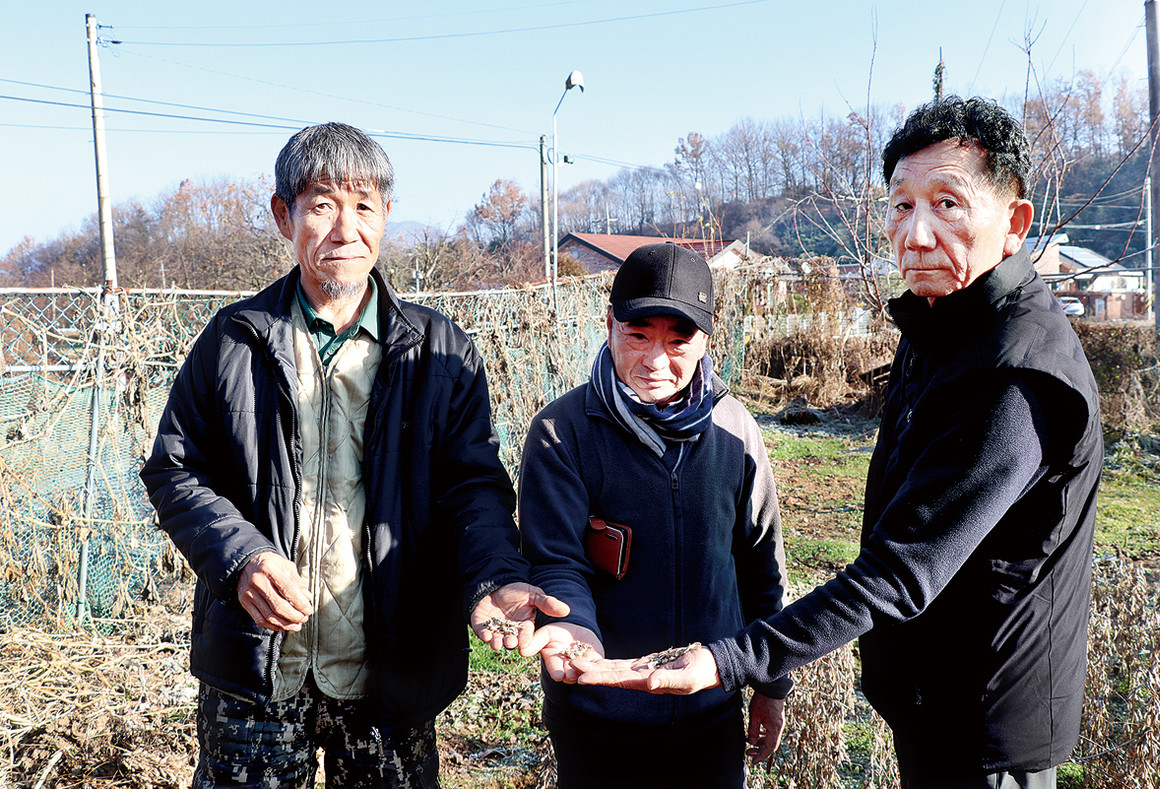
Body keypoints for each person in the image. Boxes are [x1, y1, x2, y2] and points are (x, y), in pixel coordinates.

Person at [572, 97, 1104, 789]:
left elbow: (901, 569)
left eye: (948, 204)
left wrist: (730, 660)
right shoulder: (943, 328)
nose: (915, 233)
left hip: (987, 725)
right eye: (900, 204)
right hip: (935, 697)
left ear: (1013, 223)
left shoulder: (1014, 373)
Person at [141, 121, 566, 789]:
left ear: (386, 216)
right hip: (257, 670)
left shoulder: (439, 353)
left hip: (389, 674)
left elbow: (472, 488)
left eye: (364, 204)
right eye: (321, 204)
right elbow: (176, 468)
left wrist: (494, 578)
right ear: (285, 216)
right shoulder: (234, 341)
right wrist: (242, 557)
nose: (346, 228)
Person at [516, 243, 791, 788]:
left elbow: (762, 564)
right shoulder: (561, 433)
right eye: (638, 335)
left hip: (709, 709)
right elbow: (555, 561)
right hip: (598, 711)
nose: (656, 361)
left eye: (678, 340)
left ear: (706, 340)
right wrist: (576, 635)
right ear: (609, 324)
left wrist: (770, 683)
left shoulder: (735, 432)